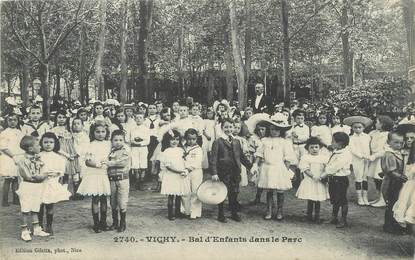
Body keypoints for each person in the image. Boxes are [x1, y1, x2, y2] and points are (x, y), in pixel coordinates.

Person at [251, 114, 296, 221]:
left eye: (277, 129)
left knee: (280, 191)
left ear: (281, 131)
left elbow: (288, 157)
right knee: (269, 190)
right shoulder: (264, 140)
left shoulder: (284, 142)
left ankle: (279, 211)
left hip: (279, 167)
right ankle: (269, 210)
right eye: (272, 129)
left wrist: (285, 170)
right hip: (267, 167)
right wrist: (255, 164)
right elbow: (259, 154)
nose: (274, 131)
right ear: (269, 129)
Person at [211, 118, 252, 222]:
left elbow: (241, 157)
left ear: (234, 128)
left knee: (234, 192)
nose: (228, 129)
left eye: (230, 127)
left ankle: (234, 213)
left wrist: (251, 167)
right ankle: (221, 214)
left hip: (235, 171)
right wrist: (214, 173)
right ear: (222, 128)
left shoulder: (237, 141)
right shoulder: (218, 142)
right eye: (226, 127)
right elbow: (214, 159)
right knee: (222, 192)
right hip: (223, 171)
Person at [77, 121, 112, 233]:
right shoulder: (90, 145)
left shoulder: (109, 144)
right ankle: (96, 223)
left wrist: (107, 163)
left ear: (106, 132)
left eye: (103, 132)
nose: (100, 134)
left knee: (104, 199)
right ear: (93, 132)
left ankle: (103, 222)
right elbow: (87, 162)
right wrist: (97, 164)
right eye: (97, 132)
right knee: (96, 198)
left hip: (105, 173)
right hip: (95, 174)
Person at [15, 136, 50, 241]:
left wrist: (44, 175)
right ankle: (24, 231)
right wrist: (41, 177)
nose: (40, 147)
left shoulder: (38, 158)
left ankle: (36, 229)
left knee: (35, 208)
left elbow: (43, 170)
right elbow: (27, 176)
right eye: (38, 145)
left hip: (37, 186)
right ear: (30, 148)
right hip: (27, 186)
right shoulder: (22, 161)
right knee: (25, 209)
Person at [38, 132, 71, 235]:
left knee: (49, 205)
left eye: (51, 142)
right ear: (41, 143)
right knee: (39, 205)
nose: (48, 144)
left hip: (51, 183)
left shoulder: (58, 157)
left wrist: (55, 173)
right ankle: (39, 225)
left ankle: (49, 225)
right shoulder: (38, 156)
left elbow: (61, 171)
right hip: (40, 183)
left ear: (55, 143)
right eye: (46, 142)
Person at [320, 132, 352, 228]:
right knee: (334, 199)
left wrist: (323, 175)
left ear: (340, 143)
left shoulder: (344, 154)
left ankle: (343, 219)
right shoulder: (337, 151)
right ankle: (334, 217)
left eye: (333, 141)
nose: (331, 143)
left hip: (340, 179)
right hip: (334, 179)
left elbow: (334, 167)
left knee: (342, 200)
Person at [296, 137, 330, 223]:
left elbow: (327, 169)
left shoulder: (324, 158)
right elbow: (305, 169)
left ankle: (317, 216)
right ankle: (309, 215)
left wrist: (322, 176)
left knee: (317, 199)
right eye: (311, 147)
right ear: (308, 148)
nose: (314, 149)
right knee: (311, 199)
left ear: (320, 148)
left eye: (316, 147)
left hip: (320, 180)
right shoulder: (305, 157)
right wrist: (313, 176)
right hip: (311, 180)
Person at [159, 129, 190, 220]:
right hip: (171, 176)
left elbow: (184, 161)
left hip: (179, 176)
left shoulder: (181, 150)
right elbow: (168, 166)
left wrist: (185, 170)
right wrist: (179, 171)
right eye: (172, 139)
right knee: (171, 195)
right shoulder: (167, 151)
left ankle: (177, 212)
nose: (174, 141)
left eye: (177, 139)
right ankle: (170, 213)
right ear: (168, 140)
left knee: (179, 195)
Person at [381, 131, 407, 234]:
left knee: (396, 203)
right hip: (391, 183)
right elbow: (390, 171)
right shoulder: (389, 154)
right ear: (388, 142)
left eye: (401, 143)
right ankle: (388, 225)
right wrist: (402, 177)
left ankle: (394, 224)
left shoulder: (399, 153)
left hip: (397, 182)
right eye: (396, 142)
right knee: (391, 204)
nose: (399, 145)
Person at [345, 116, 372, 206]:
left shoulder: (367, 137)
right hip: (357, 160)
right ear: (352, 128)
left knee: (365, 178)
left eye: (359, 127)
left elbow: (369, 147)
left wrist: (368, 156)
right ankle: (359, 197)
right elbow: (352, 149)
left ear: (363, 128)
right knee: (358, 178)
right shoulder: (351, 138)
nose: (357, 129)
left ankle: (365, 197)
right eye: (355, 127)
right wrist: (361, 156)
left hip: (367, 159)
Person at [107, 130, 131, 232]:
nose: (118, 142)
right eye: (115, 140)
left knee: (122, 201)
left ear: (124, 141)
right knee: (113, 202)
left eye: (121, 140)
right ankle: (115, 222)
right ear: (111, 141)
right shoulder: (110, 152)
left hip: (123, 179)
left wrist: (109, 163)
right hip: (112, 180)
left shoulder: (126, 151)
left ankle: (123, 222)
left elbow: (122, 163)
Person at [51, 110, 78, 197]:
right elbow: (55, 146)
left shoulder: (69, 130)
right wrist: (65, 154)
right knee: (60, 173)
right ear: (56, 119)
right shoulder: (54, 130)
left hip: (70, 153)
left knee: (68, 173)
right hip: (60, 153)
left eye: (63, 117)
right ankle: (58, 192)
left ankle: (68, 192)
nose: (62, 119)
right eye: (59, 117)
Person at [368, 115, 394, 207]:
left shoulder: (388, 135)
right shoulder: (373, 133)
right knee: (376, 180)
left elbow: (386, 149)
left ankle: (383, 199)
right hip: (374, 159)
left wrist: (375, 155)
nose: (375, 123)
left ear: (383, 124)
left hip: (382, 159)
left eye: (377, 122)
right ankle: (379, 197)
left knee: (381, 180)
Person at [0, 113, 24, 206]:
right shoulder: (4, 133)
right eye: (10, 120)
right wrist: (13, 156)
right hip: (8, 157)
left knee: (16, 179)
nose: (13, 122)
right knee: (8, 179)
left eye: (15, 120)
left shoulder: (19, 132)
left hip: (18, 156)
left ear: (17, 121)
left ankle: (16, 199)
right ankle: (4, 200)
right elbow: (3, 147)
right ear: (7, 121)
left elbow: (21, 145)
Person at [393, 142, 415, 233]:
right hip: (411, 187)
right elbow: (409, 174)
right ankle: (409, 228)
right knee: (409, 206)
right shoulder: (411, 162)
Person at [182, 129, 204, 219]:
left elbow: (197, 162)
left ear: (196, 139)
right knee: (185, 191)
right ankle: (185, 211)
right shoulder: (183, 147)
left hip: (196, 172)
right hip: (185, 172)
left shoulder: (198, 149)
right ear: (186, 139)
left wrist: (189, 169)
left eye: (194, 139)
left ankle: (195, 212)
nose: (191, 141)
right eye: (189, 139)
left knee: (195, 191)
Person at [129, 112, 150, 190]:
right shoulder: (132, 129)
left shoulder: (146, 129)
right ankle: (137, 182)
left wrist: (140, 143)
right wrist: (134, 142)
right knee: (135, 164)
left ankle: (142, 182)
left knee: (143, 164)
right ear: (134, 119)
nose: (138, 119)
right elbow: (130, 139)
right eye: (137, 118)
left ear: (144, 119)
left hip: (143, 148)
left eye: (140, 118)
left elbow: (148, 141)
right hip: (134, 148)